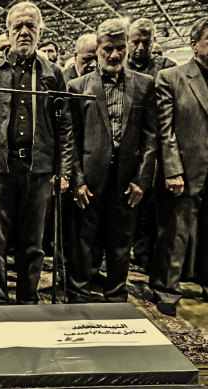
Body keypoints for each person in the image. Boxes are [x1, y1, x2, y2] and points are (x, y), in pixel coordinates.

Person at [0, 1, 74, 305]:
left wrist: (63, 170)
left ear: (40, 31)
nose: (24, 32)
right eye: (18, 26)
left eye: (31, 26)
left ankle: (28, 301)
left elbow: (64, 124)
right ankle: (0, 301)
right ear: (8, 31)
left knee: (33, 245)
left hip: (39, 170)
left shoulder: (53, 73)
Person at [67, 19, 157, 303]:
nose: (115, 55)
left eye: (120, 48)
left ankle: (116, 296)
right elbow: (71, 139)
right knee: (83, 241)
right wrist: (77, 179)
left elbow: (151, 137)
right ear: (98, 49)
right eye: (108, 49)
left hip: (128, 180)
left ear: (128, 48)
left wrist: (142, 180)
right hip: (90, 179)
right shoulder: (77, 86)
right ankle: (79, 293)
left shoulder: (144, 85)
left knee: (121, 241)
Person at [151, 17, 208, 316]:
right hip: (186, 168)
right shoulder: (171, 77)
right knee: (175, 232)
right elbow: (165, 130)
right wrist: (173, 170)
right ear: (194, 44)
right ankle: (166, 289)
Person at [125, 18, 177, 272]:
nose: (141, 47)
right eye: (136, 41)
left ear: (154, 41)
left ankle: (145, 255)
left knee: (151, 204)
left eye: (147, 42)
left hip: (156, 144)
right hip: (127, 144)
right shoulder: (119, 64)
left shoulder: (166, 68)